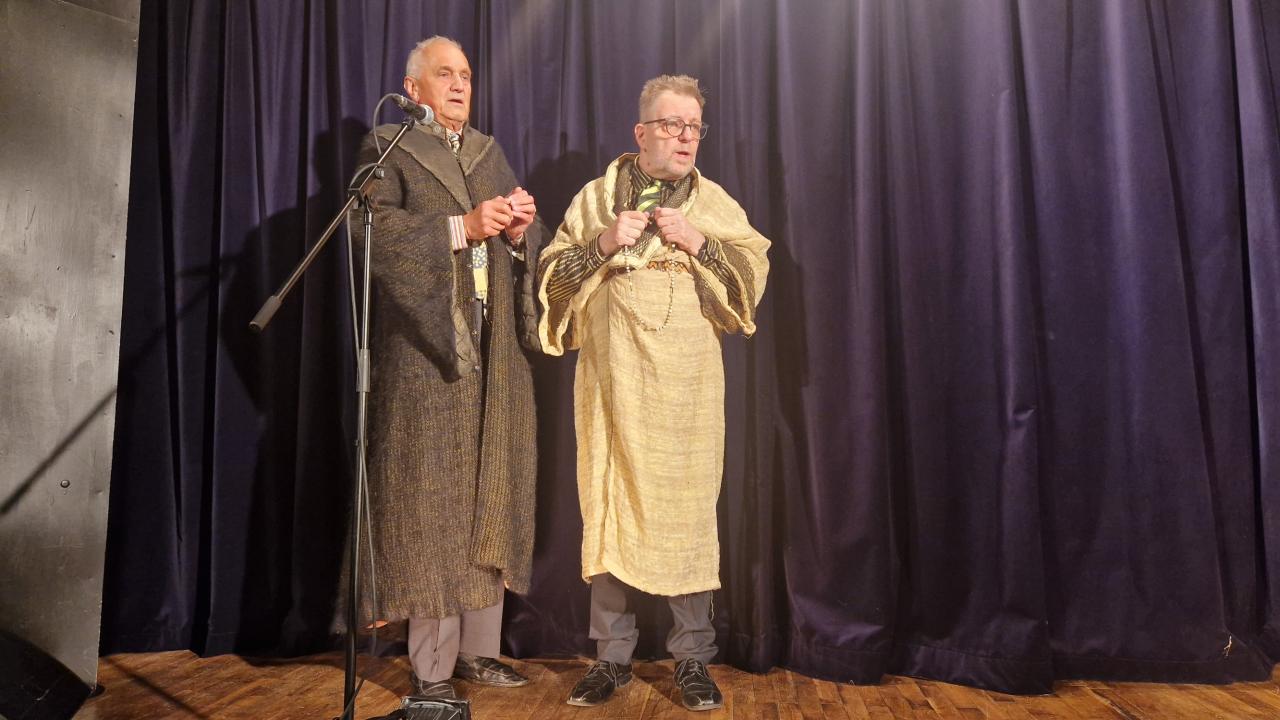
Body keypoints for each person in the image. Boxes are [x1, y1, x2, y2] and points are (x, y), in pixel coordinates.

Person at [536, 74, 770, 711]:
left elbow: (751, 278)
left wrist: (701, 243)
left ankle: (692, 659)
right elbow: (550, 279)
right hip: (614, 389)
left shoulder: (713, 203)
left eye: (694, 127)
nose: (685, 138)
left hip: (688, 395)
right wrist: (602, 244)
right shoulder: (596, 199)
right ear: (642, 133)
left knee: (687, 517)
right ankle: (611, 659)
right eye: (671, 125)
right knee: (611, 511)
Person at [351, 35, 545, 700]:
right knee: (433, 508)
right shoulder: (389, 147)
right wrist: (461, 227)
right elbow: (370, 231)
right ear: (414, 89)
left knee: (491, 493)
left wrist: (519, 233)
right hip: (431, 357)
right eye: (445, 74)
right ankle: (432, 668)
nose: (460, 85)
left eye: (465, 74)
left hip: (496, 354)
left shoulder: (490, 153)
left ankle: (478, 651)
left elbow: (522, 247)